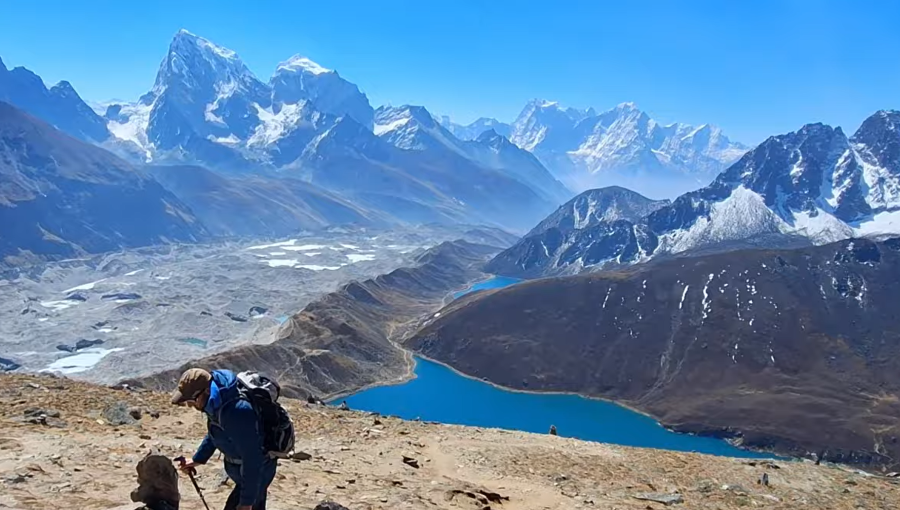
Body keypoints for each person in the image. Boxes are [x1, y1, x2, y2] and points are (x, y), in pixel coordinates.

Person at [171, 368, 277, 510]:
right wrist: (198, 458)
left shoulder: (237, 412)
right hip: (245, 476)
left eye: (192, 400)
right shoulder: (216, 403)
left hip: (257, 475)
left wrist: (246, 502)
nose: (190, 405)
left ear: (206, 391)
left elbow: (252, 458)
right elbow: (216, 431)